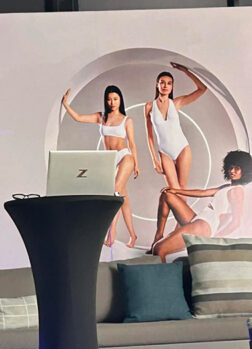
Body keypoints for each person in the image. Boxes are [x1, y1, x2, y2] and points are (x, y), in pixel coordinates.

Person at [62, 85, 139, 247]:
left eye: (115, 99)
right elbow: (78, 118)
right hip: (110, 160)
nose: (112, 102)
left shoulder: (127, 120)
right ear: (105, 100)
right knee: (123, 198)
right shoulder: (101, 117)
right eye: (109, 99)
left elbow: (132, 144)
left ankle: (111, 234)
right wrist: (65, 104)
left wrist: (136, 165)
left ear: (120, 100)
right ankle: (133, 236)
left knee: (115, 191)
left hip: (125, 157)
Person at [152, 150, 252, 262]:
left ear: (245, 171)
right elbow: (202, 192)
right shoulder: (226, 187)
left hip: (205, 226)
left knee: (158, 250)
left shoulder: (237, 191)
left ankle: (165, 272)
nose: (232, 171)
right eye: (231, 167)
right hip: (199, 219)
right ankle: (158, 235)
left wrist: (214, 240)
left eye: (237, 168)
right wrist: (176, 191)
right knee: (168, 195)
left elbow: (236, 221)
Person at [145, 63, 207, 193]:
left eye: (169, 83)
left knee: (182, 188)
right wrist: (154, 160)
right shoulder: (149, 106)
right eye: (162, 82)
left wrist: (185, 70)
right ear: (157, 84)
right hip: (164, 152)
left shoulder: (176, 103)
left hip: (182, 148)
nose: (165, 86)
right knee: (174, 190)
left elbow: (202, 89)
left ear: (172, 86)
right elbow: (149, 136)